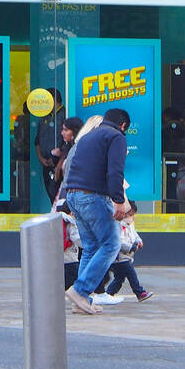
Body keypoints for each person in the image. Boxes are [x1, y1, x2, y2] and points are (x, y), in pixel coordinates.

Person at [61, 107, 130, 316]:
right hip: (93, 196)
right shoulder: (116, 136)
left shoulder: (88, 137)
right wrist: (119, 201)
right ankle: (80, 291)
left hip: (73, 195)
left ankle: (81, 301)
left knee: (90, 247)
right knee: (111, 244)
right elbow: (115, 170)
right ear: (123, 125)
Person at [100, 201, 153, 303]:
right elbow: (118, 241)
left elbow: (134, 234)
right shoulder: (118, 225)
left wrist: (138, 241)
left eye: (133, 215)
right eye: (130, 215)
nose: (132, 217)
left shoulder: (130, 225)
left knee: (119, 278)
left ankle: (108, 294)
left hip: (126, 257)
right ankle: (139, 292)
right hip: (119, 257)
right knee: (131, 273)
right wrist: (130, 247)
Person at [34, 89, 66, 204]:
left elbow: (67, 142)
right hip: (46, 162)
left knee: (59, 194)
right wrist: (41, 158)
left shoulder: (64, 114)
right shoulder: (44, 116)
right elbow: (37, 140)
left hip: (59, 162)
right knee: (50, 192)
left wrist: (57, 161)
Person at [50, 116, 84, 200]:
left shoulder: (80, 149)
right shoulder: (65, 149)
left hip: (75, 192)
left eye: (66, 130)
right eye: (63, 130)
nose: (62, 133)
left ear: (74, 131)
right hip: (65, 190)